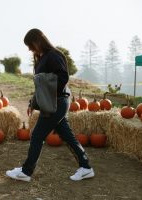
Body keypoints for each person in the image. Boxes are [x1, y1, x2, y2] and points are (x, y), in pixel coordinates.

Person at [6, 28, 94, 182]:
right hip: (55, 103)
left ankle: (26, 172)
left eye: (30, 45)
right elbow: (41, 85)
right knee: (67, 135)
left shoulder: (53, 55)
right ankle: (86, 167)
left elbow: (63, 77)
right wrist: (33, 102)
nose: (29, 49)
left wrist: (49, 97)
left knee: (37, 135)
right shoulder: (43, 57)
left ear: (37, 41)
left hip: (57, 103)